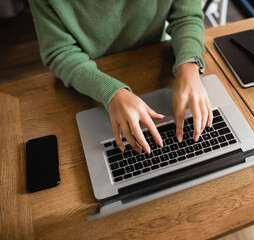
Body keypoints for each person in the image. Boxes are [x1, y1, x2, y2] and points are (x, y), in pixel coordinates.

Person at [29, 0, 213, 154]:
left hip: (152, 63)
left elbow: (186, 17)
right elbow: (59, 52)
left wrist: (189, 65)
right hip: (88, 83)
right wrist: (111, 92)